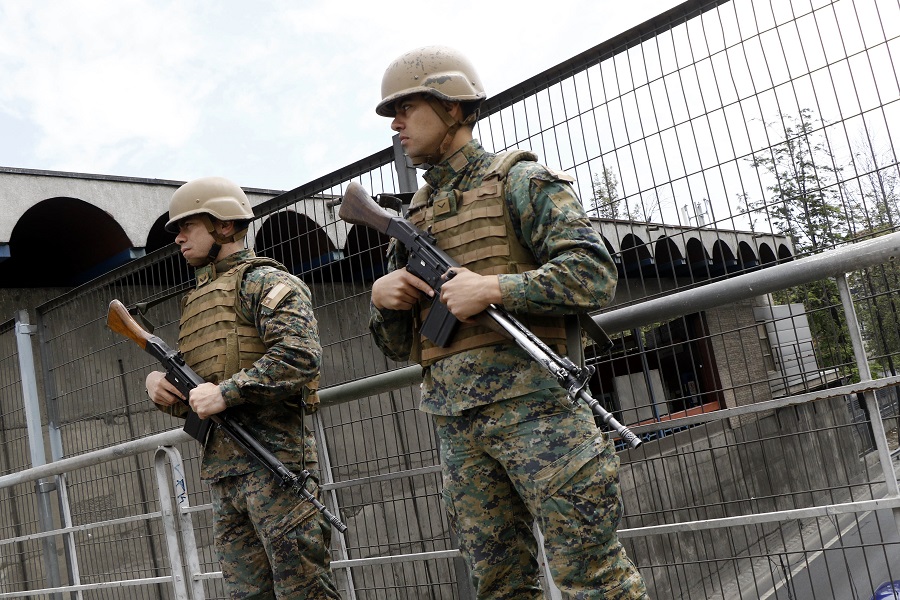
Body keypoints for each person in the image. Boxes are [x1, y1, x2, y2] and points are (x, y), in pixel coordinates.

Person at [367, 46, 649, 599]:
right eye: (391, 113)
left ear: (453, 109)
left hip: (537, 411)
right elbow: (403, 347)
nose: (396, 124)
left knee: (594, 579)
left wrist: (493, 288)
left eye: (407, 108)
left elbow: (593, 273)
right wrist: (385, 301)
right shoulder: (414, 217)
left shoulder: (520, 182)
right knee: (500, 587)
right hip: (457, 424)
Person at [144, 176, 341, 600]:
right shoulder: (197, 300)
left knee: (304, 593)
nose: (177, 238)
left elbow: (301, 356)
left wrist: (228, 392)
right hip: (224, 475)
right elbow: (199, 389)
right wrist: (160, 385)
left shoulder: (264, 282)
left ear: (225, 226)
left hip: (277, 468)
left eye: (187, 226)